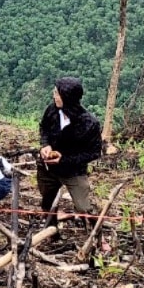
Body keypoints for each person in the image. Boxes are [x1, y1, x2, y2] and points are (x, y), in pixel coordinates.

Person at [37, 77, 102, 225]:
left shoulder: (89, 123)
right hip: (49, 168)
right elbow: (44, 128)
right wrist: (45, 145)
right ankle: (52, 230)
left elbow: (94, 152)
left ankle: (96, 232)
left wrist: (64, 159)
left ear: (67, 97)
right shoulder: (52, 110)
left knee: (84, 208)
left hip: (74, 171)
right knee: (48, 203)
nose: (54, 95)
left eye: (57, 93)